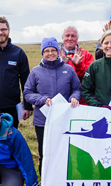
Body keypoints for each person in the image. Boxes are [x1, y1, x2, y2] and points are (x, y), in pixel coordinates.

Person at [23, 37, 81, 171]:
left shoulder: (68, 70)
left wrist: (74, 97)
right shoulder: (36, 71)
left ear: (58, 51)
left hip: (64, 120)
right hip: (43, 121)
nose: (50, 53)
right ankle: (45, 185)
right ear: (42, 53)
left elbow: (76, 89)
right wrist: (42, 99)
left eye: (53, 50)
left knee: (64, 153)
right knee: (45, 154)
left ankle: (63, 185)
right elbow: (27, 92)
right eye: (47, 51)